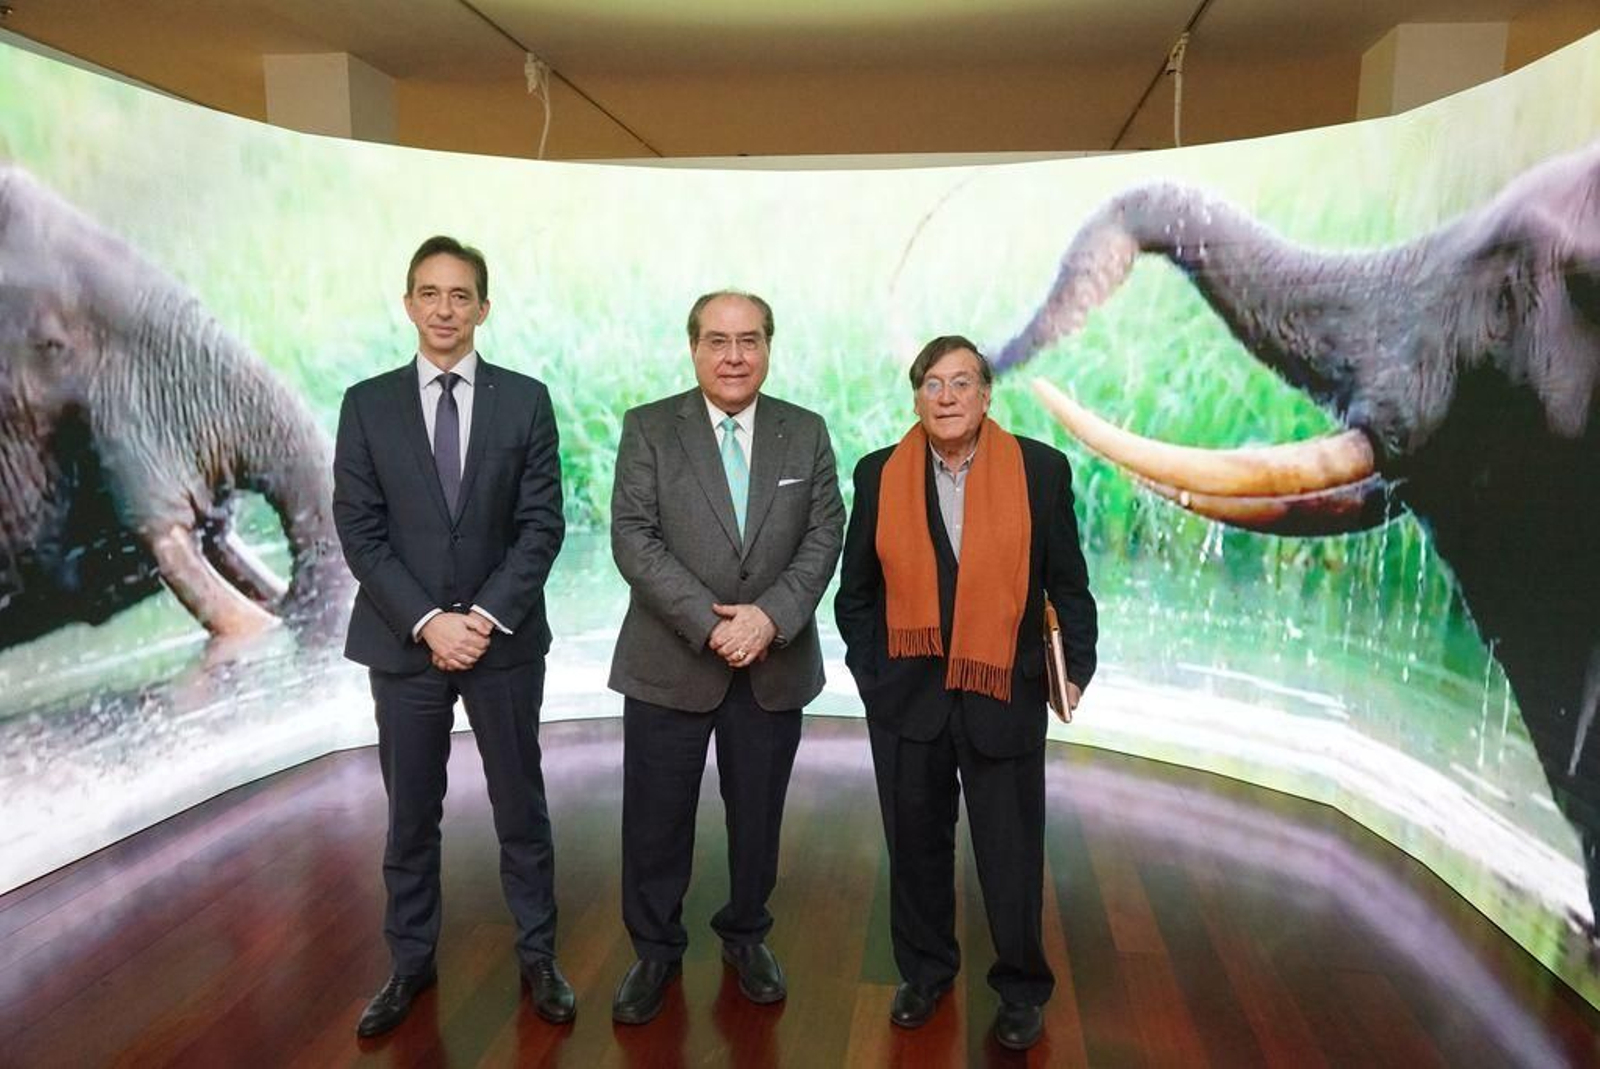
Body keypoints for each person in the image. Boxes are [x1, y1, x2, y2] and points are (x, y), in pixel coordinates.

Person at [333, 236, 572, 1037]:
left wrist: (481, 618)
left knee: (521, 807)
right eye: (430, 293)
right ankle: (409, 963)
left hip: (502, 642)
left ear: (483, 308)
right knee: (410, 816)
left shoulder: (525, 400)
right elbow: (360, 531)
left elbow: (541, 525)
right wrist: (430, 621)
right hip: (404, 644)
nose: (444, 308)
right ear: (409, 304)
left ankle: (539, 955)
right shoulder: (366, 404)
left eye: (460, 294)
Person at [834, 334, 1097, 1052]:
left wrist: (1073, 670)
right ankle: (924, 974)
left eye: (961, 383)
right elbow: (856, 594)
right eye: (932, 384)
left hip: (1003, 695)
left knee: (1012, 857)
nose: (946, 397)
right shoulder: (878, 474)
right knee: (915, 849)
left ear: (985, 396)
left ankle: (1020, 989)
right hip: (907, 701)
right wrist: (874, 676)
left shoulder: (1040, 471)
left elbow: (1069, 586)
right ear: (916, 398)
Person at [607, 290, 845, 1024]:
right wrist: (713, 628)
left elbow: (825, 534)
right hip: (669, 661)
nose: (734, 356)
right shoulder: (649, 427)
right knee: (655, 820)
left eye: (748, 340)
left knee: (758, 816)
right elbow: (634, 538)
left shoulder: (805, 431)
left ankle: (746, 934)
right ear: (694, 348)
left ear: (768, 346)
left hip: (773, 665)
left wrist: (769, 618)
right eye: (717, 340)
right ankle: (655, 949)